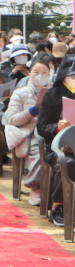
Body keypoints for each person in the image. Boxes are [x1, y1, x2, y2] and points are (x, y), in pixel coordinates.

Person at [5, 58, 53, 207]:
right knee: (39, 151)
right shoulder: (20, 93)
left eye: (44, 72)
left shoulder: (56, 92)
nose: (40, 75)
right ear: (29, 74)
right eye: (36, 72)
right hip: (29, 132)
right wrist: (31, 112)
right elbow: (11, 119)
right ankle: (36, 187)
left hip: (53, 130)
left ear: (50, 74)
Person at [36, 55, 75, 227]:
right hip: (58, 146)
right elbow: (41, 127)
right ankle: (59, 205)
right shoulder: (52, 95)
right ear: (65, 75)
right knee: (65, 162)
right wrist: (57, 127)